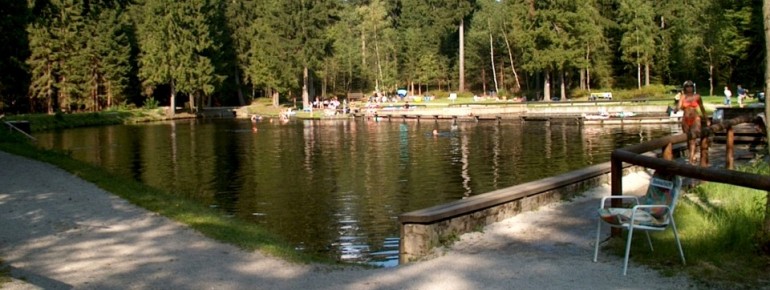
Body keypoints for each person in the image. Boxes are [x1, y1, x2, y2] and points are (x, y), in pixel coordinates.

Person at [677, 80, 707, 165]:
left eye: (691, 86)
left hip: (695, 118)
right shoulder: (683, 97)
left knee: (693, 138)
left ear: (693, 87)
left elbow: (702, 108)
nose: (689, 88)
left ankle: (691, 158)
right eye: (687, 86)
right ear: (685, 88)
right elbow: (679, 105)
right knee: (688, 139)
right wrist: (677, 108)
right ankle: (692, 154)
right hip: (685, 119)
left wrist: (706, 119)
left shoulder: (697, 96)